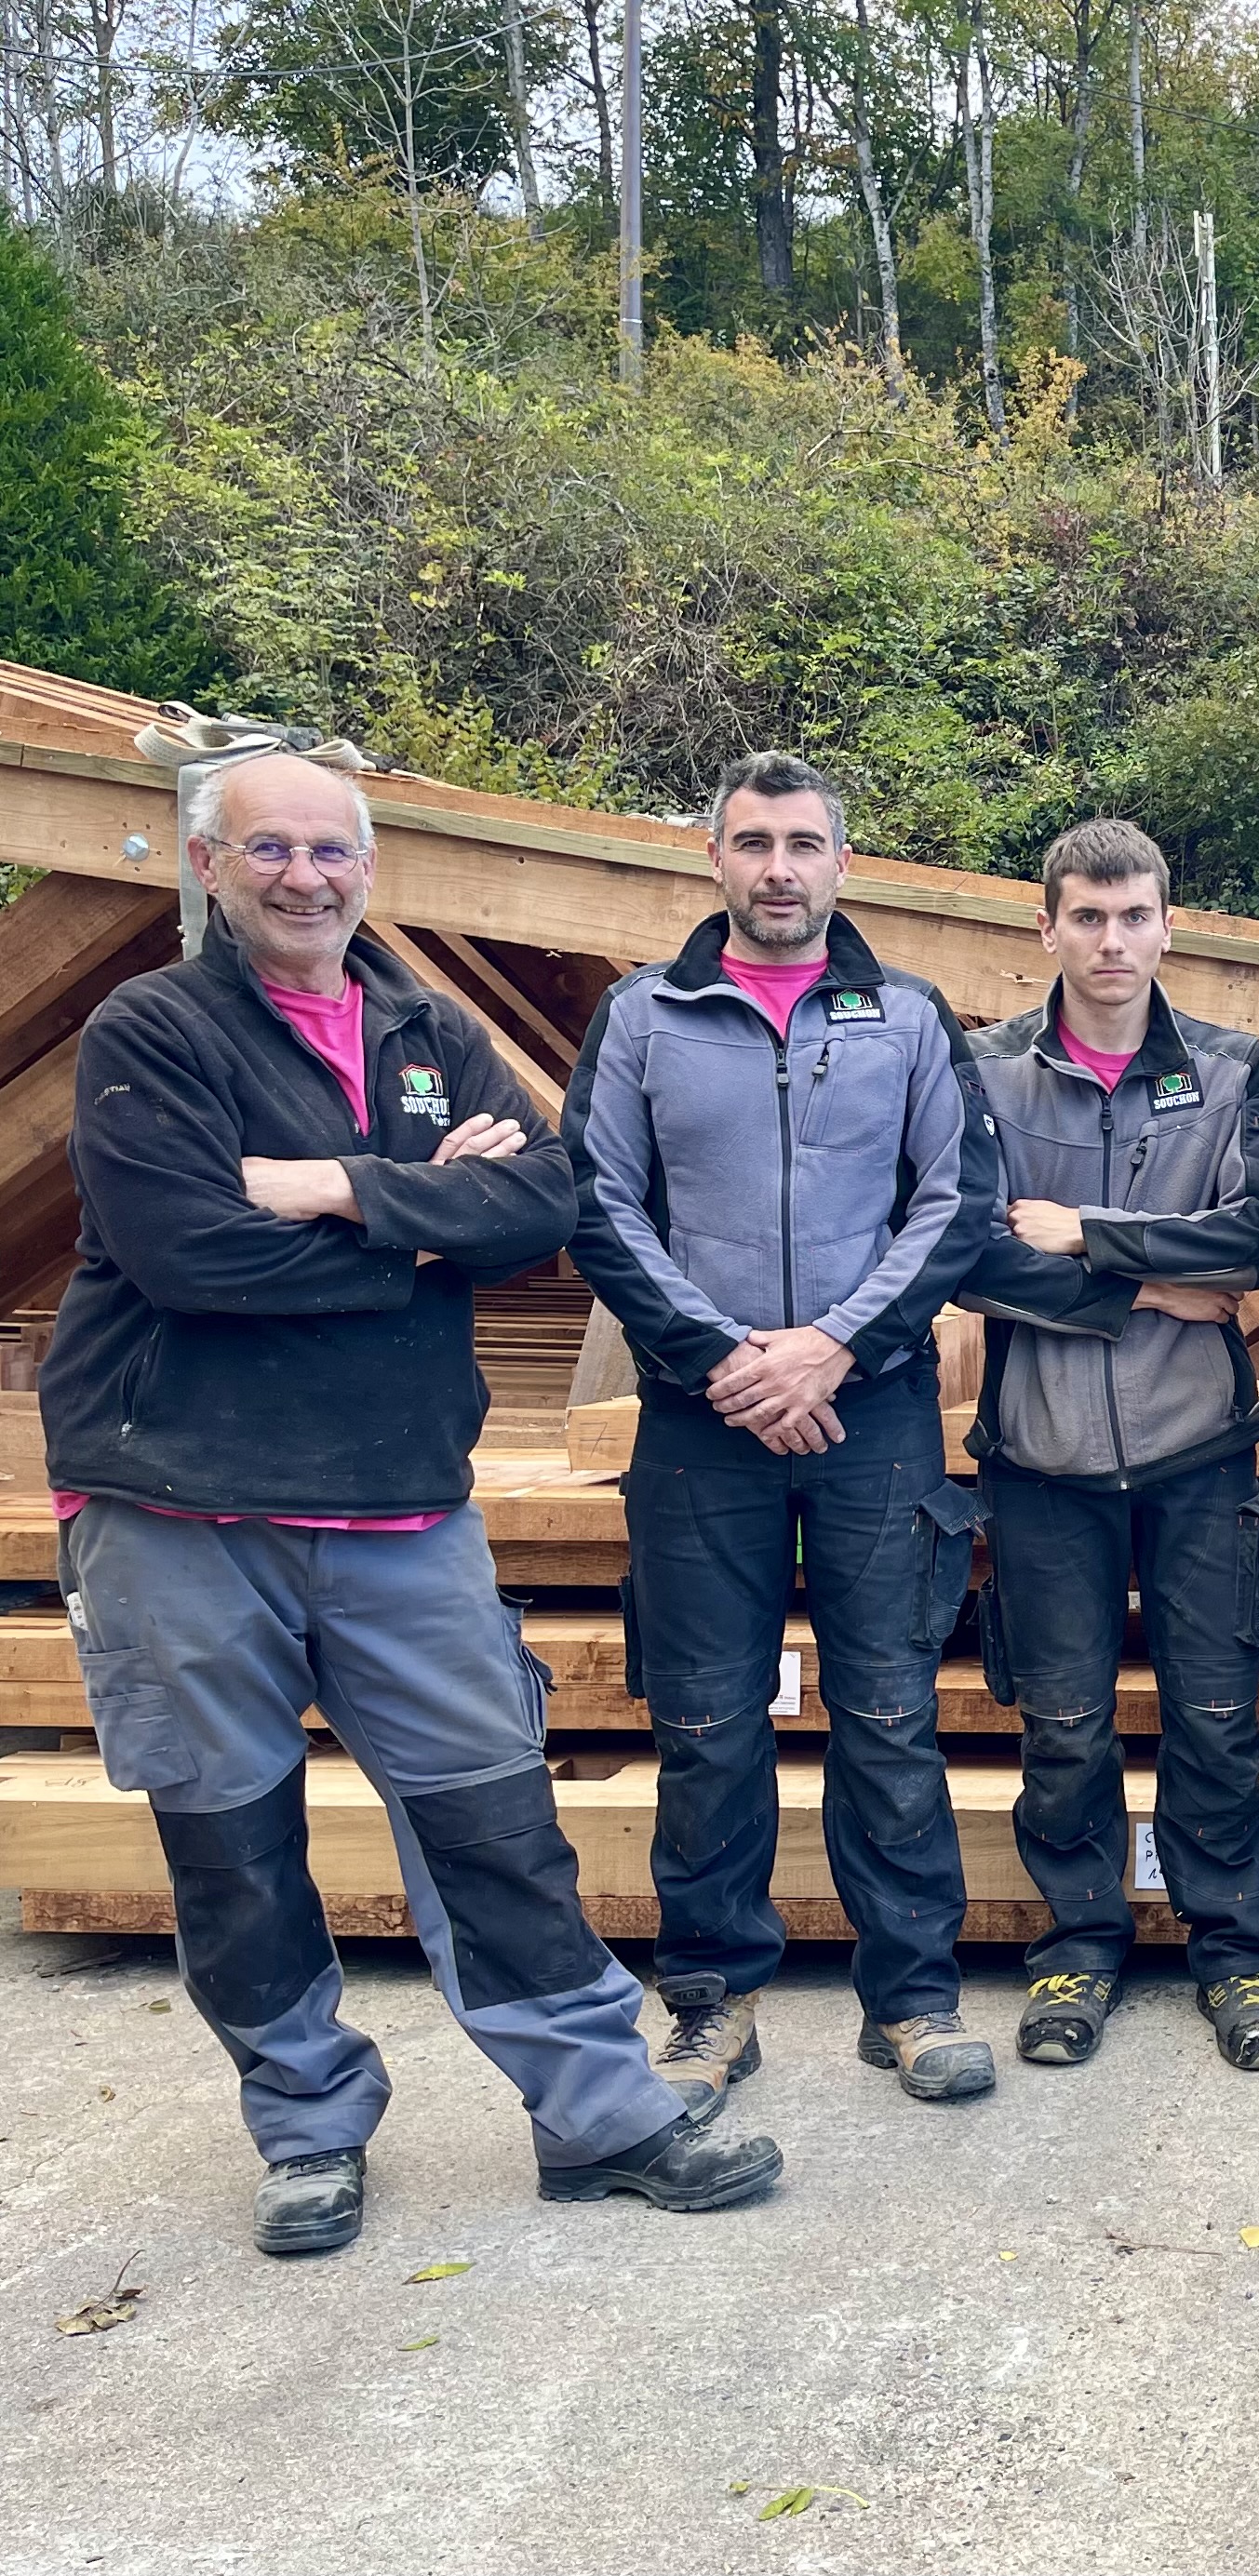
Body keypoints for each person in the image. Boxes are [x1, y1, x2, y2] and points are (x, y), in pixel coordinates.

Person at [44, 749, 780, 2254]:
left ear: (367, 867)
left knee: (495, 1824)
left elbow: (536, 1205)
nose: (306, 874)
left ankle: (596, 2111)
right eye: (272, 849)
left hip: (397, 1504)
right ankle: (307, 2126)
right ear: (208, 864)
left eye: (331, 848)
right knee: (231, 1842)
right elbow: (184, 1252)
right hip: (179, 1509)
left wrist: (319, 1186)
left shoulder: (426, 1026)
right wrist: (415, 1211)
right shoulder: (153, 1031)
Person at [565, 750, 1003, 2111]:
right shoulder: (643, 1017)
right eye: (751, 842)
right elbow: (601, 1207)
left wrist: (832, 1346)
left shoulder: (909, 1016)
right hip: (702, 1425)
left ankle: (913, 1999)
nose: (777, 867)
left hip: (871, 1417)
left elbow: (955, 1200)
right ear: (713, 859)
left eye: (802, 842)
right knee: (705, 1720)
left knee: (887, 1712)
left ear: (840, 862)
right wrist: (723, 1356)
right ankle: (707, 2000)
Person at [958, 820, 1259, 2072]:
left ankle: (1233, 1950)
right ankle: (1078, 1942)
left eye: (1133, 917)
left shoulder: (1228, 1067)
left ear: (1168, 924)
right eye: (1086, 918)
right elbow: (969, 1251)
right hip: (1041, 1457)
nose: (1111, 941)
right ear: (1045, 926)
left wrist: (1091, 1234)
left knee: (1214, 1714)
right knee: (1062, 1720)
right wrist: (1154, 1284)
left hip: (1195, 1447)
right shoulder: (984, 1069)